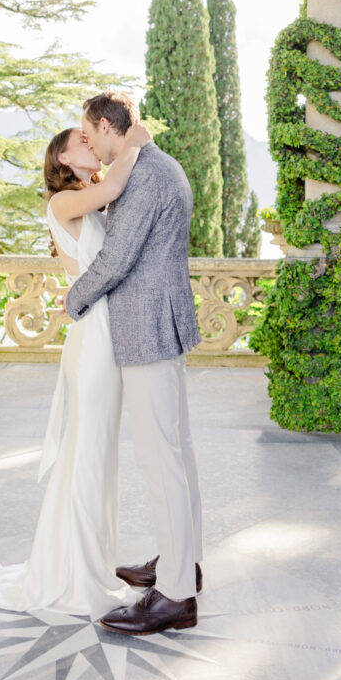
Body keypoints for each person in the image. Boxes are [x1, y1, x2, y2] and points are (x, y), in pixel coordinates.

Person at [0, 120, 153, 619]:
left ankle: (89, 565)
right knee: (87, 455)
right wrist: (136, 143)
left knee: (98, 455)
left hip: (104, 331)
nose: (91, 143)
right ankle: (72, 576)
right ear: (63, 160)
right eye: (81, 141)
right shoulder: (63, 203)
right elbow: (114, 187)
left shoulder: (90, 200)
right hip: (93, 340)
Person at [63, 91, 203, 636]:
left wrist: (74, 300)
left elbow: (116, 258)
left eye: (89, 133)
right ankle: (181, 563)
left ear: (106, 125)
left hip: (147, 331)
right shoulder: (154, 165)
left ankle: (175, 596)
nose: (90, 144)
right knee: (177, 454)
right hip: (158, 326)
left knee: (161, 460)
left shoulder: (146, 175)